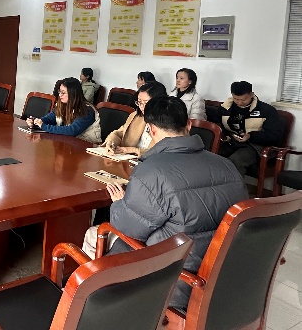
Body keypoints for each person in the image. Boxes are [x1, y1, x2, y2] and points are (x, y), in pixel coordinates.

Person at [93, 96, 247, 310]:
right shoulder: (227, 166)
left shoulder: (151, 172)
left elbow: (127, 228)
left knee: (93, 234)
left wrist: (119, 203)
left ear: (150, 130)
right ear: (189, 125)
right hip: (224, 277)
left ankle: (97, 302)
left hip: (173, 280)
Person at [218, 81, 285, 176]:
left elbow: (275, 135)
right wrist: (225, 136)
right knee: (212, 155)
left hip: (256, 146)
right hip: (232, 142)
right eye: (236, 99)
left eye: (243, 99)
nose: (239, 102)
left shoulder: (266, 110)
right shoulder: (226, 108)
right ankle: (213, 184)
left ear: (251, 95)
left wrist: (250, 136)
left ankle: (233, 185)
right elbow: (218, 124)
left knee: (236, 160)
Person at [27, 77, 101, 142]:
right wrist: (36, 121)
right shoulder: (62, 104)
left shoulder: (87, 110)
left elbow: (72, 130)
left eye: (63, 93)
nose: (60, 95)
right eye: (59, 92)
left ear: (73, 94)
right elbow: (50, 118)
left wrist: (44, 126)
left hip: (86, 146)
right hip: (69, 143)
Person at [104, 81, 167, 157]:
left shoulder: (169, 123)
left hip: (151, 162)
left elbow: (167, 152)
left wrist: (135, 150)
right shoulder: (136, 116)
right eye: (139, 102)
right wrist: (111, 143)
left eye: (146, 103)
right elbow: (119, 133)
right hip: (126, 160)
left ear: (159, 102)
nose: (142, 107)